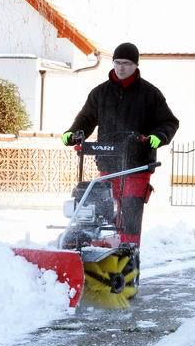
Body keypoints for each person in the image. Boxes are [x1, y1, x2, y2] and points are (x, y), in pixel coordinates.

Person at [62, 42, 179, 245]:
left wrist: (158, 136)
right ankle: (98, 248)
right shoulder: (100, 93)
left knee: (130, 213)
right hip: (108, 163)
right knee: (103, 209)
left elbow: (169, 122)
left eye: (126, 63)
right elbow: (86, 119)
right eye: (117, 62)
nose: (121, 67)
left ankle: (129, 253)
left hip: (137, 164)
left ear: (135, 65)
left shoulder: (149, 94)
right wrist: (72, 133)